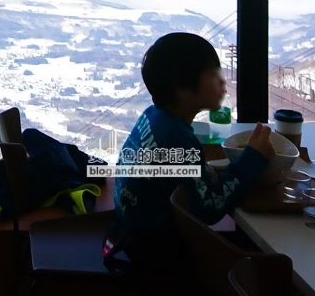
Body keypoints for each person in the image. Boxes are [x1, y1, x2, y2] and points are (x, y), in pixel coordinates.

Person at [104, 32, 274, 272]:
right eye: (213, 75)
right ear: (182, 89)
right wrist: (253, 159)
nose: (222, 82)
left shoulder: (153, 117)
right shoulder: (178, 139)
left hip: (126, 236)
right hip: (156, 258)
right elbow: (211, 208)